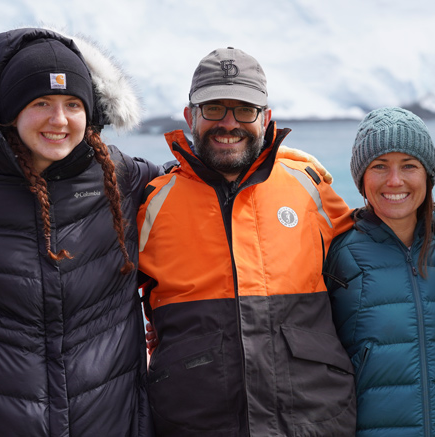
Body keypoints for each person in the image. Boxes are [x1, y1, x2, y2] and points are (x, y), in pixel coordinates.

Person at [0, 27, 160, 436]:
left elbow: (201, 188)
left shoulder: (122, 177)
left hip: (110, 420)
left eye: (72, 104)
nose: (59, 120)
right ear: (7, 111)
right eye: (41, 102)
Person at [137, 47, 357, 436]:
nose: (229, 123)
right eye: (214, 109)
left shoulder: (309, 188)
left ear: (266, 117)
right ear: (191, 116)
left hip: (314, 423)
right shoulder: (153, 204)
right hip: (195, 425)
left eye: (244, 110)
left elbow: (379, 244)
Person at [325, 107, 435, 436]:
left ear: (427, 176)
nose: (394, 181)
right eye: (380, 166)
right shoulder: (338, 253)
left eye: (409, 165)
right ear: (361, 178)